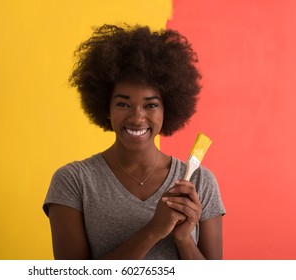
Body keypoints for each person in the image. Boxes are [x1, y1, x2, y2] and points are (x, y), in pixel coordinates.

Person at [43, 24, 225, 260]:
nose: (137, 117)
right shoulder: (74, 181)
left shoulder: (201, 182)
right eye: (123, 104)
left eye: (151, 105)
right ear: (106, 108)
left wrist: (183, 238)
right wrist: (153, 231)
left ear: (166, 110)